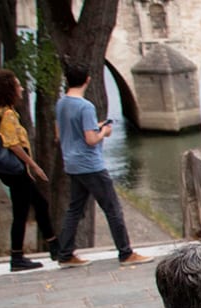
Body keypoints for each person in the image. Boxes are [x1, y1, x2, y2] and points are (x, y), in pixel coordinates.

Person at [52, 60, 149, 267]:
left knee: (74, 210)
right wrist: (104, 131)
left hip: (72, 163)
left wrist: (94, 127)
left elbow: (59, 134)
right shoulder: (85, 106)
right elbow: (91, 140)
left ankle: (65, 253)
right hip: (90, 165)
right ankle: (125, 252)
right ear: (87, 80)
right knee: (113, 208)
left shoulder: (61, 104)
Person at [0, 70, 54, 272]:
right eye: (18, 85)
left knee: (38, 204)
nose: (21, 88)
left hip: (11, 170)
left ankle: (53, 245)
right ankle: (19, 256)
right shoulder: (7, 115)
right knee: (24, 211)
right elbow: (13, 145)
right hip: (15, 170)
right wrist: (33, 165)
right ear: (10, 90)